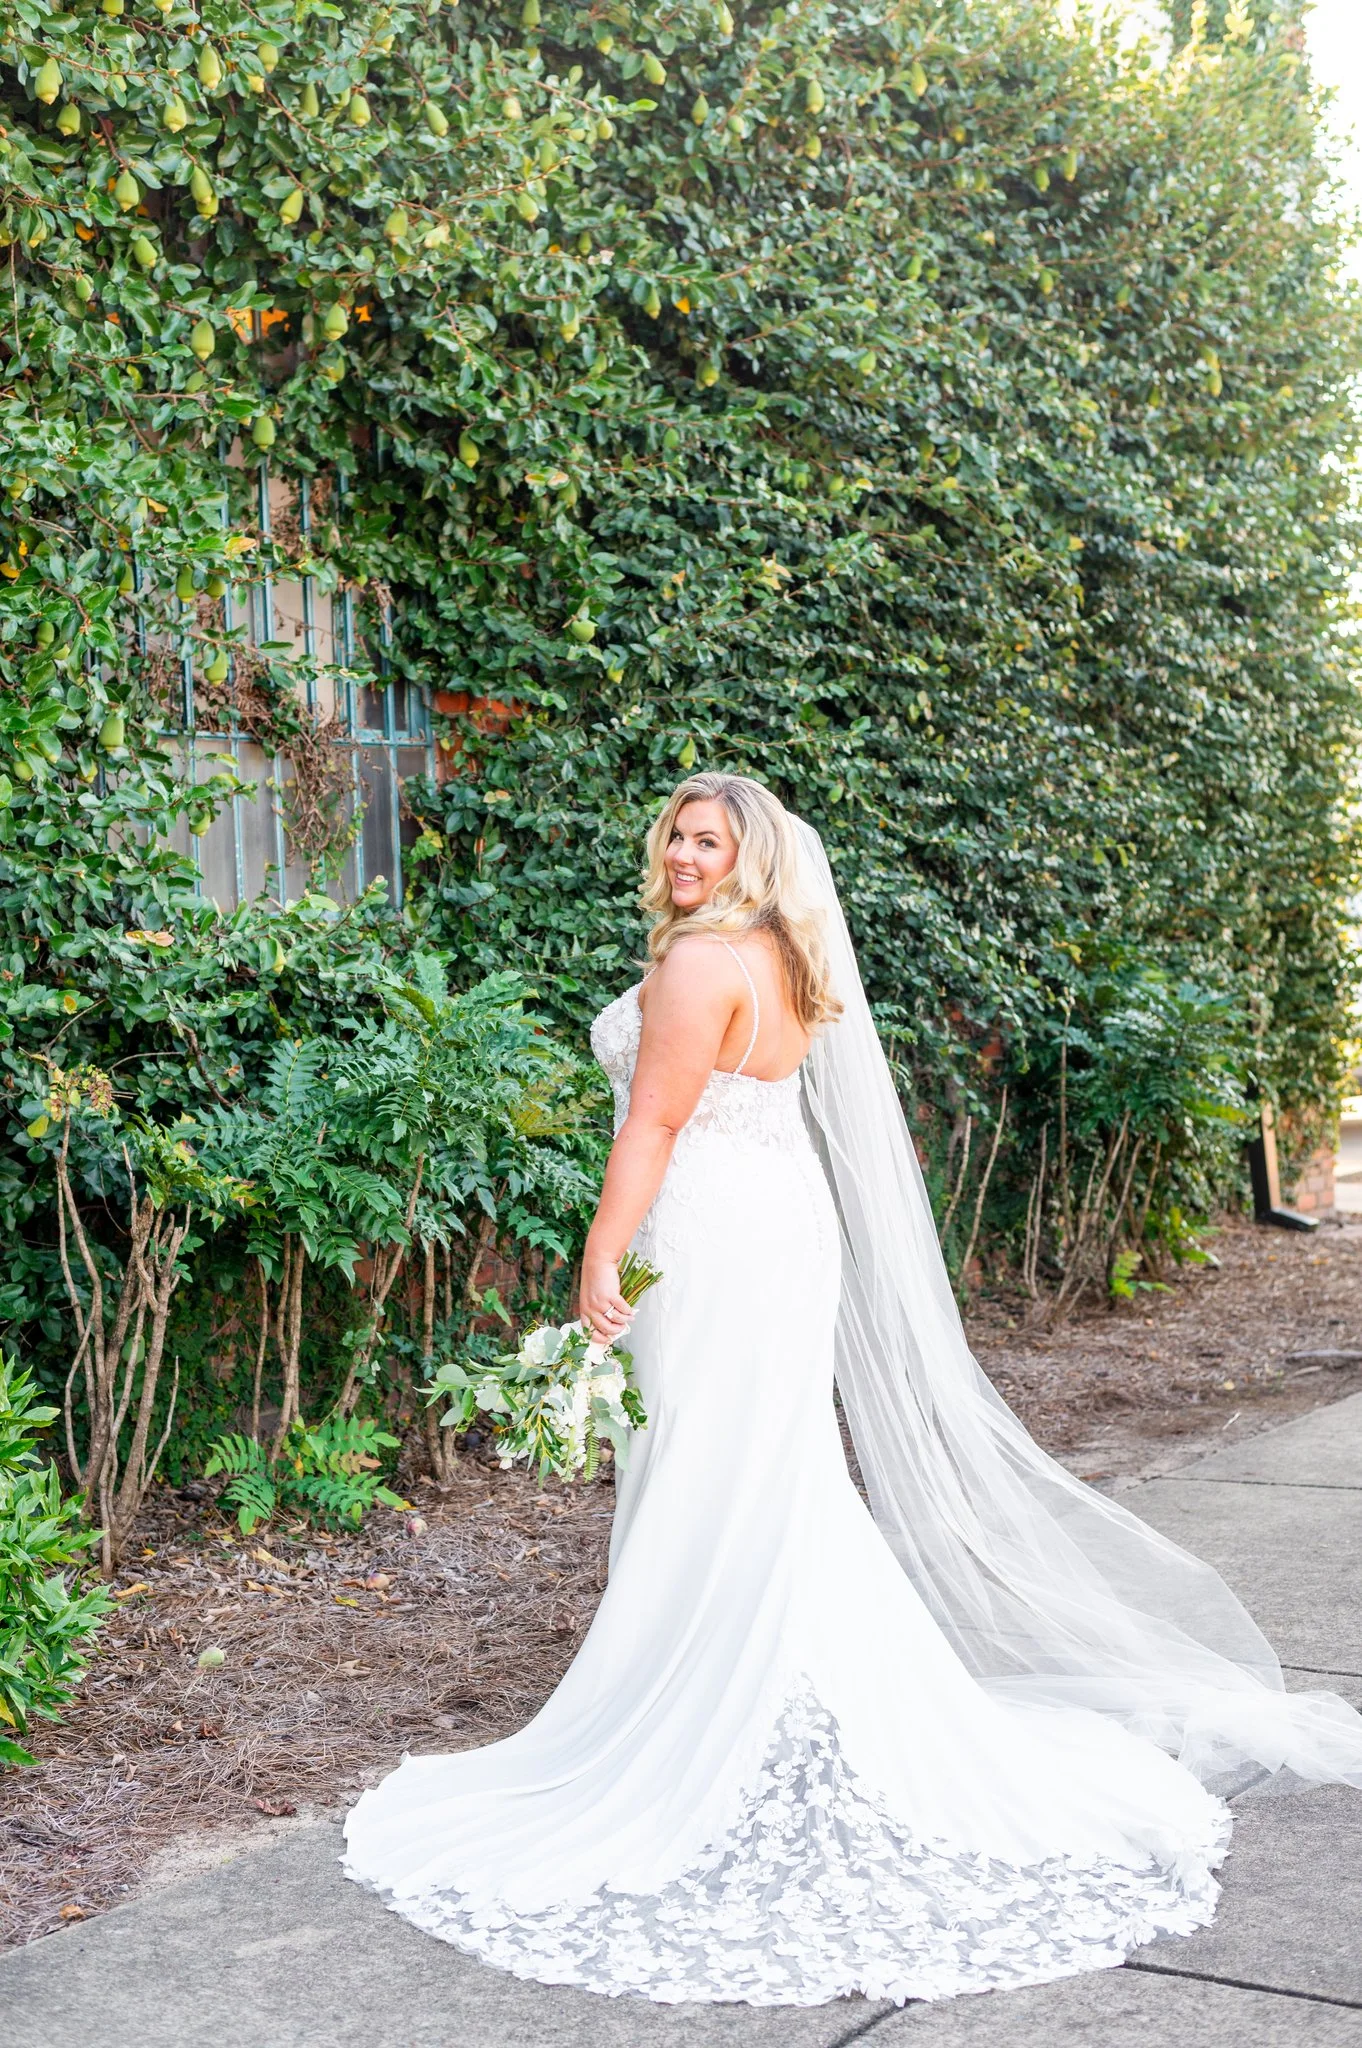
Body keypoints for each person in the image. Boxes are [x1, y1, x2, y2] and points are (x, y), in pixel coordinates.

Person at [344, 771, 1362, 2006]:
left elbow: (655, 1122)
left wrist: (599, 1251)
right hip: (781, 1225)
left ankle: (703, 1701)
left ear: (751, 852)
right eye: (675, 832)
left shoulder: (697, 964)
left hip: (709, 1233)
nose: (680, 850)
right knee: (770, 1462)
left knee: (713, 1460)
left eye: (706, 837)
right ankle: (783, 1682)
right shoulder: (783, 953)